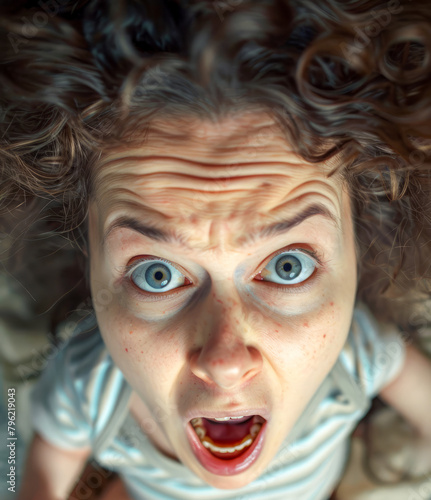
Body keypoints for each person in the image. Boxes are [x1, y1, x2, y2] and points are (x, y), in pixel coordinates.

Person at [1, 0, 431, 499]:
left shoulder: (359, 353)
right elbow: (35, 463)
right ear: (90, 248)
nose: (225, 364)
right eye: (156, 274)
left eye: (289, 266)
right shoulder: (85, 383)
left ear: (359, 244)